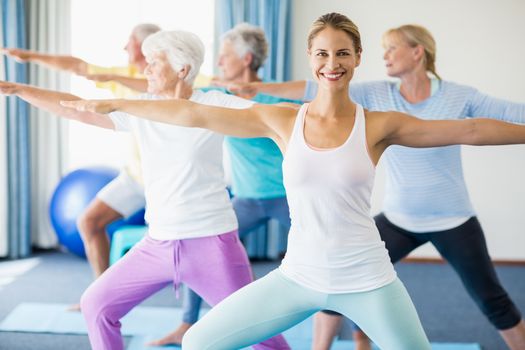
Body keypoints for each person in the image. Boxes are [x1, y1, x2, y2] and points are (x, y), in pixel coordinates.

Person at [62, 12, 525, 349]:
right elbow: (193, 110)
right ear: (311, 57)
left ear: (356, 58)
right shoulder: (283, 120)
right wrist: (122, 104)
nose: (332, 62)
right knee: (200, 340)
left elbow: (472, 129)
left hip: (366, 277)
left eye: (343, 52)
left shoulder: (380, 123)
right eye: (322, 52)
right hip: (299, 276)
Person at [226, 22, 525, 350]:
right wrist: (255, 89)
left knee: (492, 299)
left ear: (417, 52)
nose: (385, 55)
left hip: (453, 219)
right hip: (399, 218)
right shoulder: (376, 93)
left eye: (392, 48)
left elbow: (494, 122)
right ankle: (340, 344)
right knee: (337, 279)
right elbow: (310, 87)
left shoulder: (460, 96)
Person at [0, 30, 290, 350]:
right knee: (96, 304)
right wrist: (17, 89)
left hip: (211, 243)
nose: (146, 69)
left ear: (182, 70)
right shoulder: (140, 110)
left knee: (263, 338)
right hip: (157, 245)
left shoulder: (215, 104)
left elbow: (267, 118)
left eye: (154, 62)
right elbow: (74, 109)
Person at [148, 22, 300, 347]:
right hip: (246, 198)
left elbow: (302, 126)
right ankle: (186, 323)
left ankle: (357, 334)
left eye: (225, 57)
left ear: (246, 59)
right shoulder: (218, 95)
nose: (219, 63)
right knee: (197, 242)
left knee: (330, 249)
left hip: (287, 197)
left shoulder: (275, 93)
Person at [1, 24, 161, 310]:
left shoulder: (174, 81)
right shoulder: (121, 79)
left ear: (145, 45)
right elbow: (78, 67)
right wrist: (31, 57)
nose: (124, 48)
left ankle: (189, 314)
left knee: (179, 246)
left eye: (129, 42)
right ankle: (102, 296)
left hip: (166, 182)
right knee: (89, 222)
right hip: (135, 178)